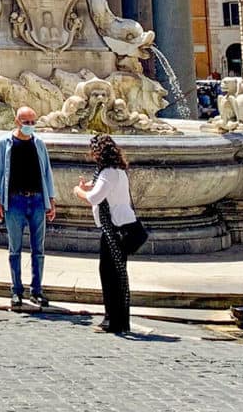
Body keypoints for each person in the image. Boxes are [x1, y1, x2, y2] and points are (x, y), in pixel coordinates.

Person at [0, 106, 56, 311]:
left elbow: (47, 172)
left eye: (33, 122)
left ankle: (36, 291)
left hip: (37, 200)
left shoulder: (39, 144)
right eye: (26, 122)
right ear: (17, 121)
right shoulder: (4, 142)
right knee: (15, 249)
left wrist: (51, 201)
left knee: (39, 250)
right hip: (14, 202)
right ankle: (16, 291)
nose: (30, 126)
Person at [77, 133, 142, 336]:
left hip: (115, 230)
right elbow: (103, 189)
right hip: (120, 227)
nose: (92, 154)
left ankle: (115, 321)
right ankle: (115, 318)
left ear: (99, 153)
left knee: (112, 274)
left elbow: (95, 198)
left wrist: (79, 192)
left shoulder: (108, 172)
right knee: (114, 273)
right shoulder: (116, 170)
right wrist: (90, 185)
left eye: (93, 151)